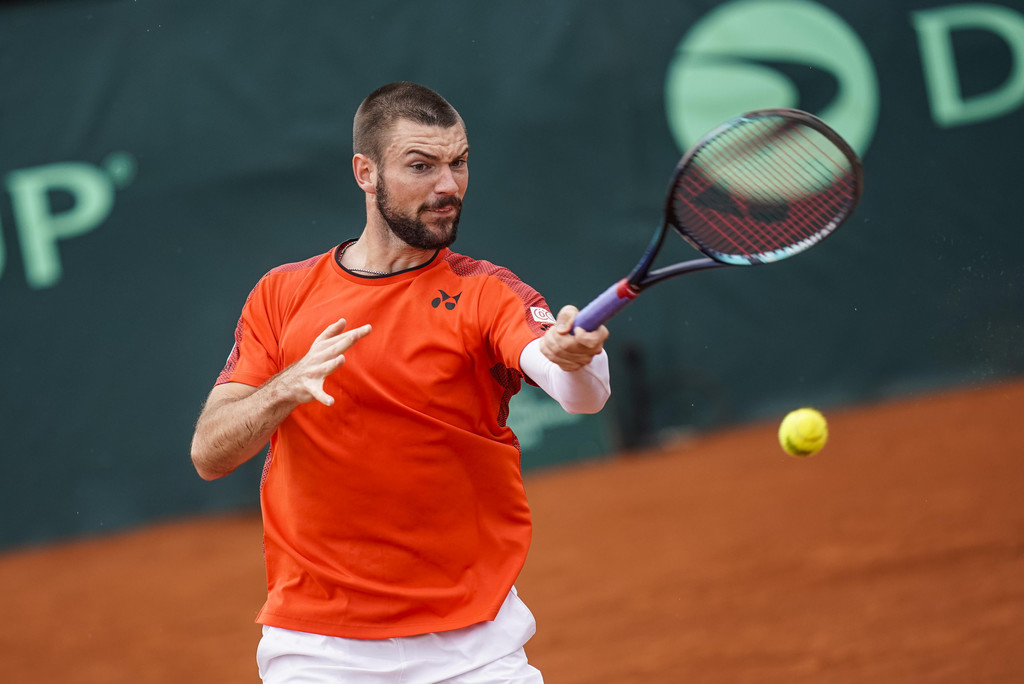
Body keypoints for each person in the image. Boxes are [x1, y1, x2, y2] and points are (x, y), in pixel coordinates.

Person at [190, 81, 611, 683]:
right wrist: (285, 386)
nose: (448, 186)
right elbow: (210, 453)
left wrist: (575, 358)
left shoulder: (486, 292)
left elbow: (579, 394)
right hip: (317, 651)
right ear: (365, 172)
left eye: (458, 162)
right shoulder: (281, 293)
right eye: (421, 166)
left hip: (474, 646)